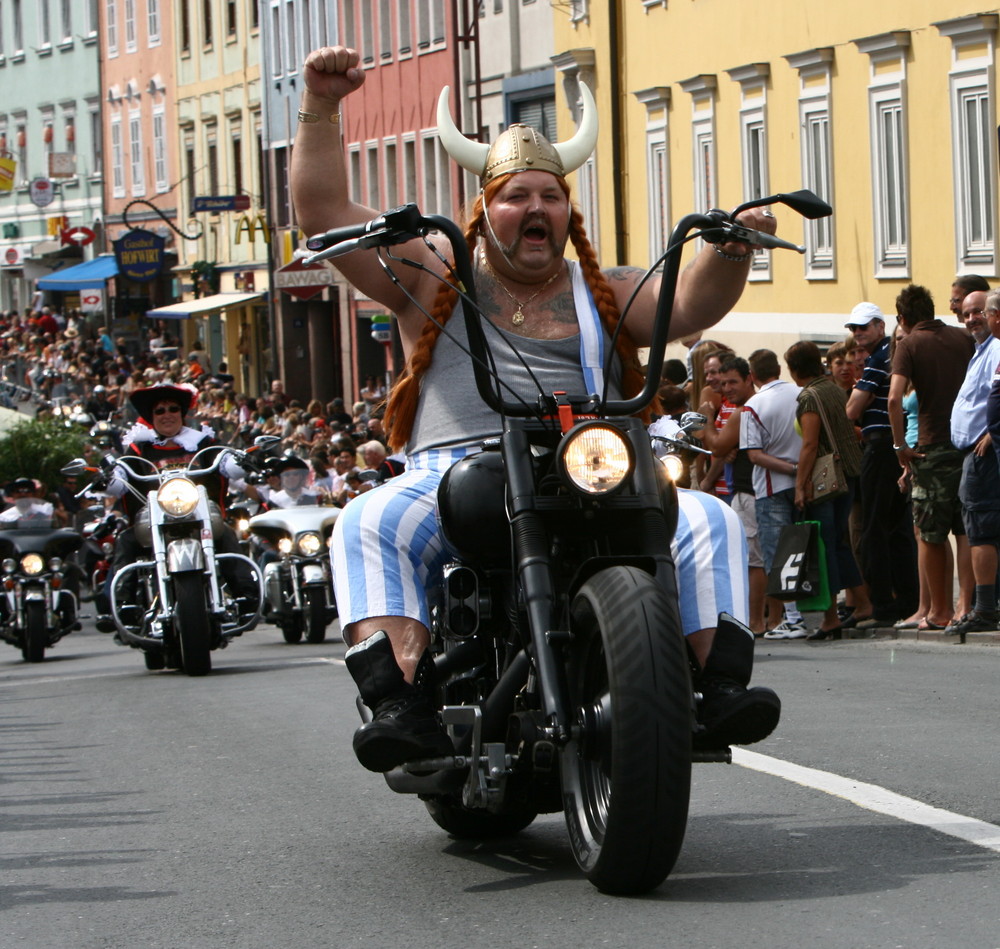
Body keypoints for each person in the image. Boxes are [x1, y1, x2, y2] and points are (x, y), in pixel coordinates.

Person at [291, 44, 780, 771]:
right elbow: (324, 209)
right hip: (458, 468)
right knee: (371, 518)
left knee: (704, 515)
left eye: (550, 195)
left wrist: (732, 247)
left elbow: (688, 300)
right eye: (517, 195)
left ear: (566, 209)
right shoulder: (434, 270)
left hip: (594, 461)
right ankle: (401, 698)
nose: (535, 209)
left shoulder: (603, 290)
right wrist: (323, 106)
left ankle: (715, 685)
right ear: (485, 208)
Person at [100, 383, 257, 628]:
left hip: (198, 513)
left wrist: (244, 461)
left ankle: (247, 597)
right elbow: (119, 479)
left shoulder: (203, 442)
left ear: (182, 413)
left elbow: (225, 463)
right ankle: (122, 605)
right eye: (159, 411)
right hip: (152, 517)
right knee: (126, 541)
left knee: (226, 535)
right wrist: (107, 477)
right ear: (151, 417)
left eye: (173, 408)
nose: (167, 415)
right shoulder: (137, 448)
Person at [888, 285, 973, 631]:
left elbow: (894, 399)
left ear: (903, 319)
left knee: (930, 533)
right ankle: (965, 605)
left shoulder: (909, 344)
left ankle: (938, 611)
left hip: (931, 446)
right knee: (965, 530)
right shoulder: (962, 338)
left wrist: (899, 447)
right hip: (966, 444)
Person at [784, 341, 866, 640]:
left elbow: (809, 444)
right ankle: (864, 602)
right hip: (848, 473)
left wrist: (800, 485)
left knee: (825, 545)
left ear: (794, 370)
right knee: (839, 542)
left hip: (825, 479)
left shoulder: (809, 397)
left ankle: (830, 617)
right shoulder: (832, 388)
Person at [845, 303, 919, 629]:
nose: (858, 333)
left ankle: (884, 607)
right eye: (854, 329)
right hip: (898, 444)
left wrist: (858, 394)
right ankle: (907, 601)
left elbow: (852, 409)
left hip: (881, 445)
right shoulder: (890, 353)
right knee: (898, 528)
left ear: (880, 325)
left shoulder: (879, 359)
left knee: (875, 528)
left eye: (864, 327)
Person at [739, 349, 807, 639]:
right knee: (804, 550)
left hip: (771, 487)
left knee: (776, 555)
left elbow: (754, 455)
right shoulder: (803, 394)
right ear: (778, 368)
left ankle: (793, 617)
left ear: (752, 376)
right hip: (806, 482)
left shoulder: (753, 405)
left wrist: (788, 468)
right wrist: (800, 469)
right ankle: (806, 612)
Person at [945, 290, 1000, 640]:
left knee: (981, 528)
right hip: (975, 452)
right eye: (966, 314)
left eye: (979, 312)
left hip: (985, 455)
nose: (971, 319)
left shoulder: (996, 347)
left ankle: (984, 608)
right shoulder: (982, 349)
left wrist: (992, 435)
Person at [709, 355, 766, 633]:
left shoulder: (744, 411)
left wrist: (705, 419)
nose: (727, 388)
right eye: (723, 383)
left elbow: (716, 446)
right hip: (753, 490)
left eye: (733, 382)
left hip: (750, 491)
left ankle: (756, 621)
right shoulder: (753, 407)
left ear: (749, 378)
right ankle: (768, 618)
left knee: (754, 561)